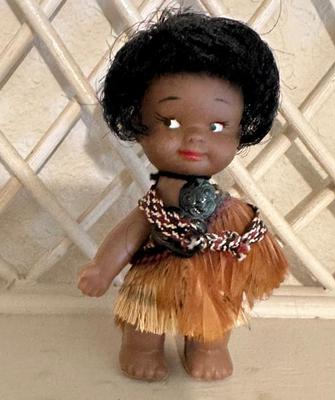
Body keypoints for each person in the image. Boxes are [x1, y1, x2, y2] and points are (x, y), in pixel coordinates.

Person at [78, 8, 288, 382]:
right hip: (157, 268)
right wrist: (103, 268)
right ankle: (141, 347)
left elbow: (249, 238)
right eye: (171, 122)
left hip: (209, 274)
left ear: (240, 130)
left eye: (217, 126)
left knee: (215, 313)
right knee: (145, 315)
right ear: (139, 123)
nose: (195, 138)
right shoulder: (155, 208)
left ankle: (208, 347)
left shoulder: (229, 209)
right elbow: (131, 232)